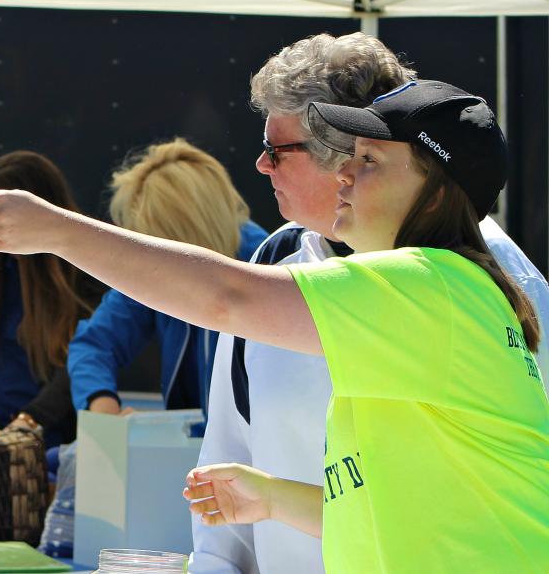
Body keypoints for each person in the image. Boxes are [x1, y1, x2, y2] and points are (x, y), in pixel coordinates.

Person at [0, 79, 549, 571]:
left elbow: (227, 296)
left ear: (436, 192)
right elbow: (397, 510)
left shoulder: (427, 285)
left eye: (369, 163)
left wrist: (57, 231)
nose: (343, 174)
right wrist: (270, 498)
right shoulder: (442, 294)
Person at [192, 33, 549, 574]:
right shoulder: (275, 256)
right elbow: (233, 457)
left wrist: (52, 229)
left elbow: (223, 297)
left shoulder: (483, 284)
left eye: (276, 149)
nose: (261, 166)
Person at [68, 139, 267, 417]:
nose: (151, 259)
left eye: (157, 242)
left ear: (186, 232)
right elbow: (95, 344)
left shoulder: (270, 268)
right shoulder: (154, 270)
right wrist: (101, 404)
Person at [0, 150, 101, 446]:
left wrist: (31, 420)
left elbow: (87, 357)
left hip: (52, 438)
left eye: (1, 215)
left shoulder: (85, 265)